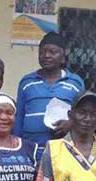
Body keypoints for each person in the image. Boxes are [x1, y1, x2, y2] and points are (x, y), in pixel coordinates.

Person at [14, 32, 84, 161]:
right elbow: (19, 116)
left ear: (63, 57)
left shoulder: (75, 83)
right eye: (42, 52)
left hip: (63, 152)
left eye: (53, 52)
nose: (46, 56)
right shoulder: (27, 82)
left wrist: (71, 123)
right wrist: (16, 147)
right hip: (30, 152)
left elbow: (83, 114)